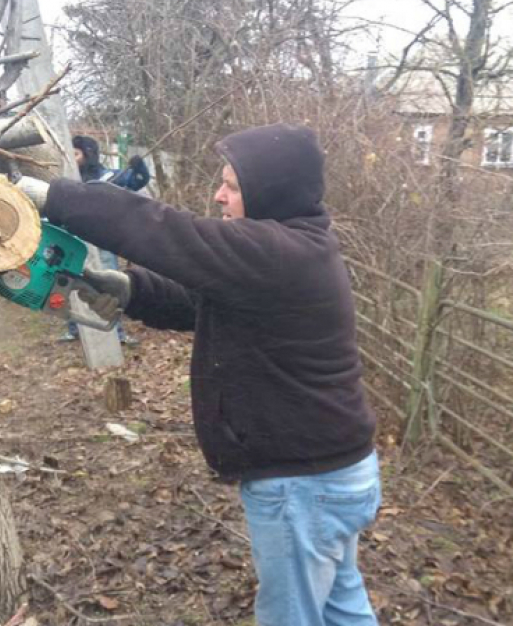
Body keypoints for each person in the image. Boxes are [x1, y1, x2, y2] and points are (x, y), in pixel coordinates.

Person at [39, 124, 380, 625]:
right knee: (340, 610)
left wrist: (52, 197)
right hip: (331, 474)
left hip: (302, 486)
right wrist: (130, 289)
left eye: (233, 186)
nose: (219, 195)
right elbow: (199, 302)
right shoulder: (295, 249)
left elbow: (163, 230)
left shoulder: (278, 251)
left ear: (271, 191)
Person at [58, 135, 150, 345]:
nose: (72, 159)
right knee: (69, 282)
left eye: (76, 154)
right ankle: (74, 329)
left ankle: (117, 333)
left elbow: (137, 181)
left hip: (101, 240)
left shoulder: (109, 177)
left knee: (107, 285)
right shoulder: (67, 181)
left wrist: (139, 168)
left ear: (88, 154)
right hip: (72, 239)